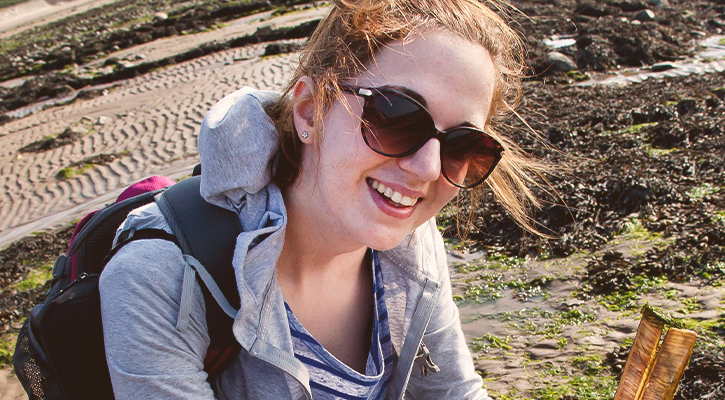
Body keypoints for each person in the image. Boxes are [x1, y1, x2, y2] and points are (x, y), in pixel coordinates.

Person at [99, 0, 546, 398]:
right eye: (397, 117)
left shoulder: (411, 247)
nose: (427, 169)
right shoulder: (160, 279)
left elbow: (453, 392)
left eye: (464, 145)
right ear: (310, 110)